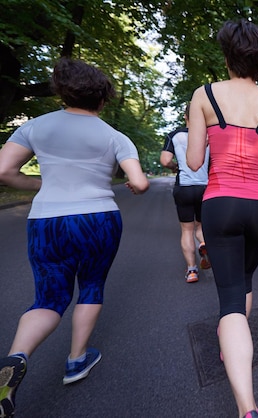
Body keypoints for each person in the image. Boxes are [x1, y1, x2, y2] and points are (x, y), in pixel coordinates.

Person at [0, 57, 149, 418]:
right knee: (92, 285)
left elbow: (4, 170)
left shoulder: (35, 127)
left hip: (47, 221)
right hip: (98, 218)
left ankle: (15, 360)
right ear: (101, 99)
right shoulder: (115, 136)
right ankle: (77, 360)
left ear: (62, 91)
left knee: (48, 300)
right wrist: (132, 183)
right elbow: (141, 183)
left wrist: (41, 184)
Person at [186, 19, 258, 418]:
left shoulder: (204, 95)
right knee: (245, 279)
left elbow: (195, 161)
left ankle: (247, 408)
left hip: (221, 202)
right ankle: (233, 338)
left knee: (230, 299)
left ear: (227, 55)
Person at [160, 105, 211, 283]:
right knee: (201, 227)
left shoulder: (175, 135)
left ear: (185, 116)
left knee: (187, 230)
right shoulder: (209, 135)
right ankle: (204, 244)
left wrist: (175, 167)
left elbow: (165, 160)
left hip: (184, 187)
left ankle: (192, 270)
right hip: (205, 187)